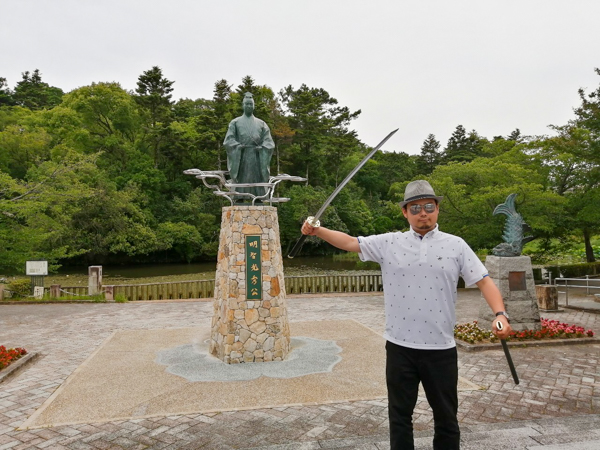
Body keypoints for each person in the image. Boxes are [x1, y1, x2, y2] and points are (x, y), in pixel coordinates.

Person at [301, 180, 512, 450]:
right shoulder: (390, 242)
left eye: (428, 206)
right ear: (405, 213)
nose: (422, 213)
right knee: (400, 417)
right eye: (415, 208)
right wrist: (318, 231)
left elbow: (484, 281)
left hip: (441, 348)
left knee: (447, 417)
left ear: (437, 209)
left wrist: (501, 314)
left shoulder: (456, 245)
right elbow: (351, 242)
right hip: (400, 347)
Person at [223, 92, 275, 198]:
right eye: (247, 104)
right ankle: (239, 197)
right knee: (241, 178)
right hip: (241, 156)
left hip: (257, 156)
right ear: (243, 105)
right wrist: (237, 147)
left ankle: (259, 197)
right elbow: (228, 140)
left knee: (257, 178)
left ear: (254, 106)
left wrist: (262, 149)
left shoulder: (261, 124)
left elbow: (269, 142)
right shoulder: (235, 122)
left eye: (251, 104)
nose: (249, 106)